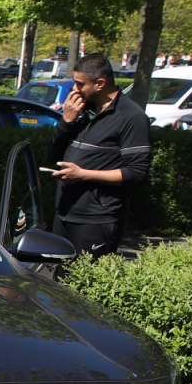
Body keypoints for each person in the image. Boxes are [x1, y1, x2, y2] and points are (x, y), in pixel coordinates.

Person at [47, 52, 151, 257]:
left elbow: (137, 172)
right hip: (64, 212)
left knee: (86, 276)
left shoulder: (132, 117)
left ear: (100, 84)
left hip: (96, 219)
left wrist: (84, 175)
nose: (74, 89)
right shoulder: (80, 110)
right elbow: (52, 156)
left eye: (80, 84)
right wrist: (66, 122)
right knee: (57, 275)